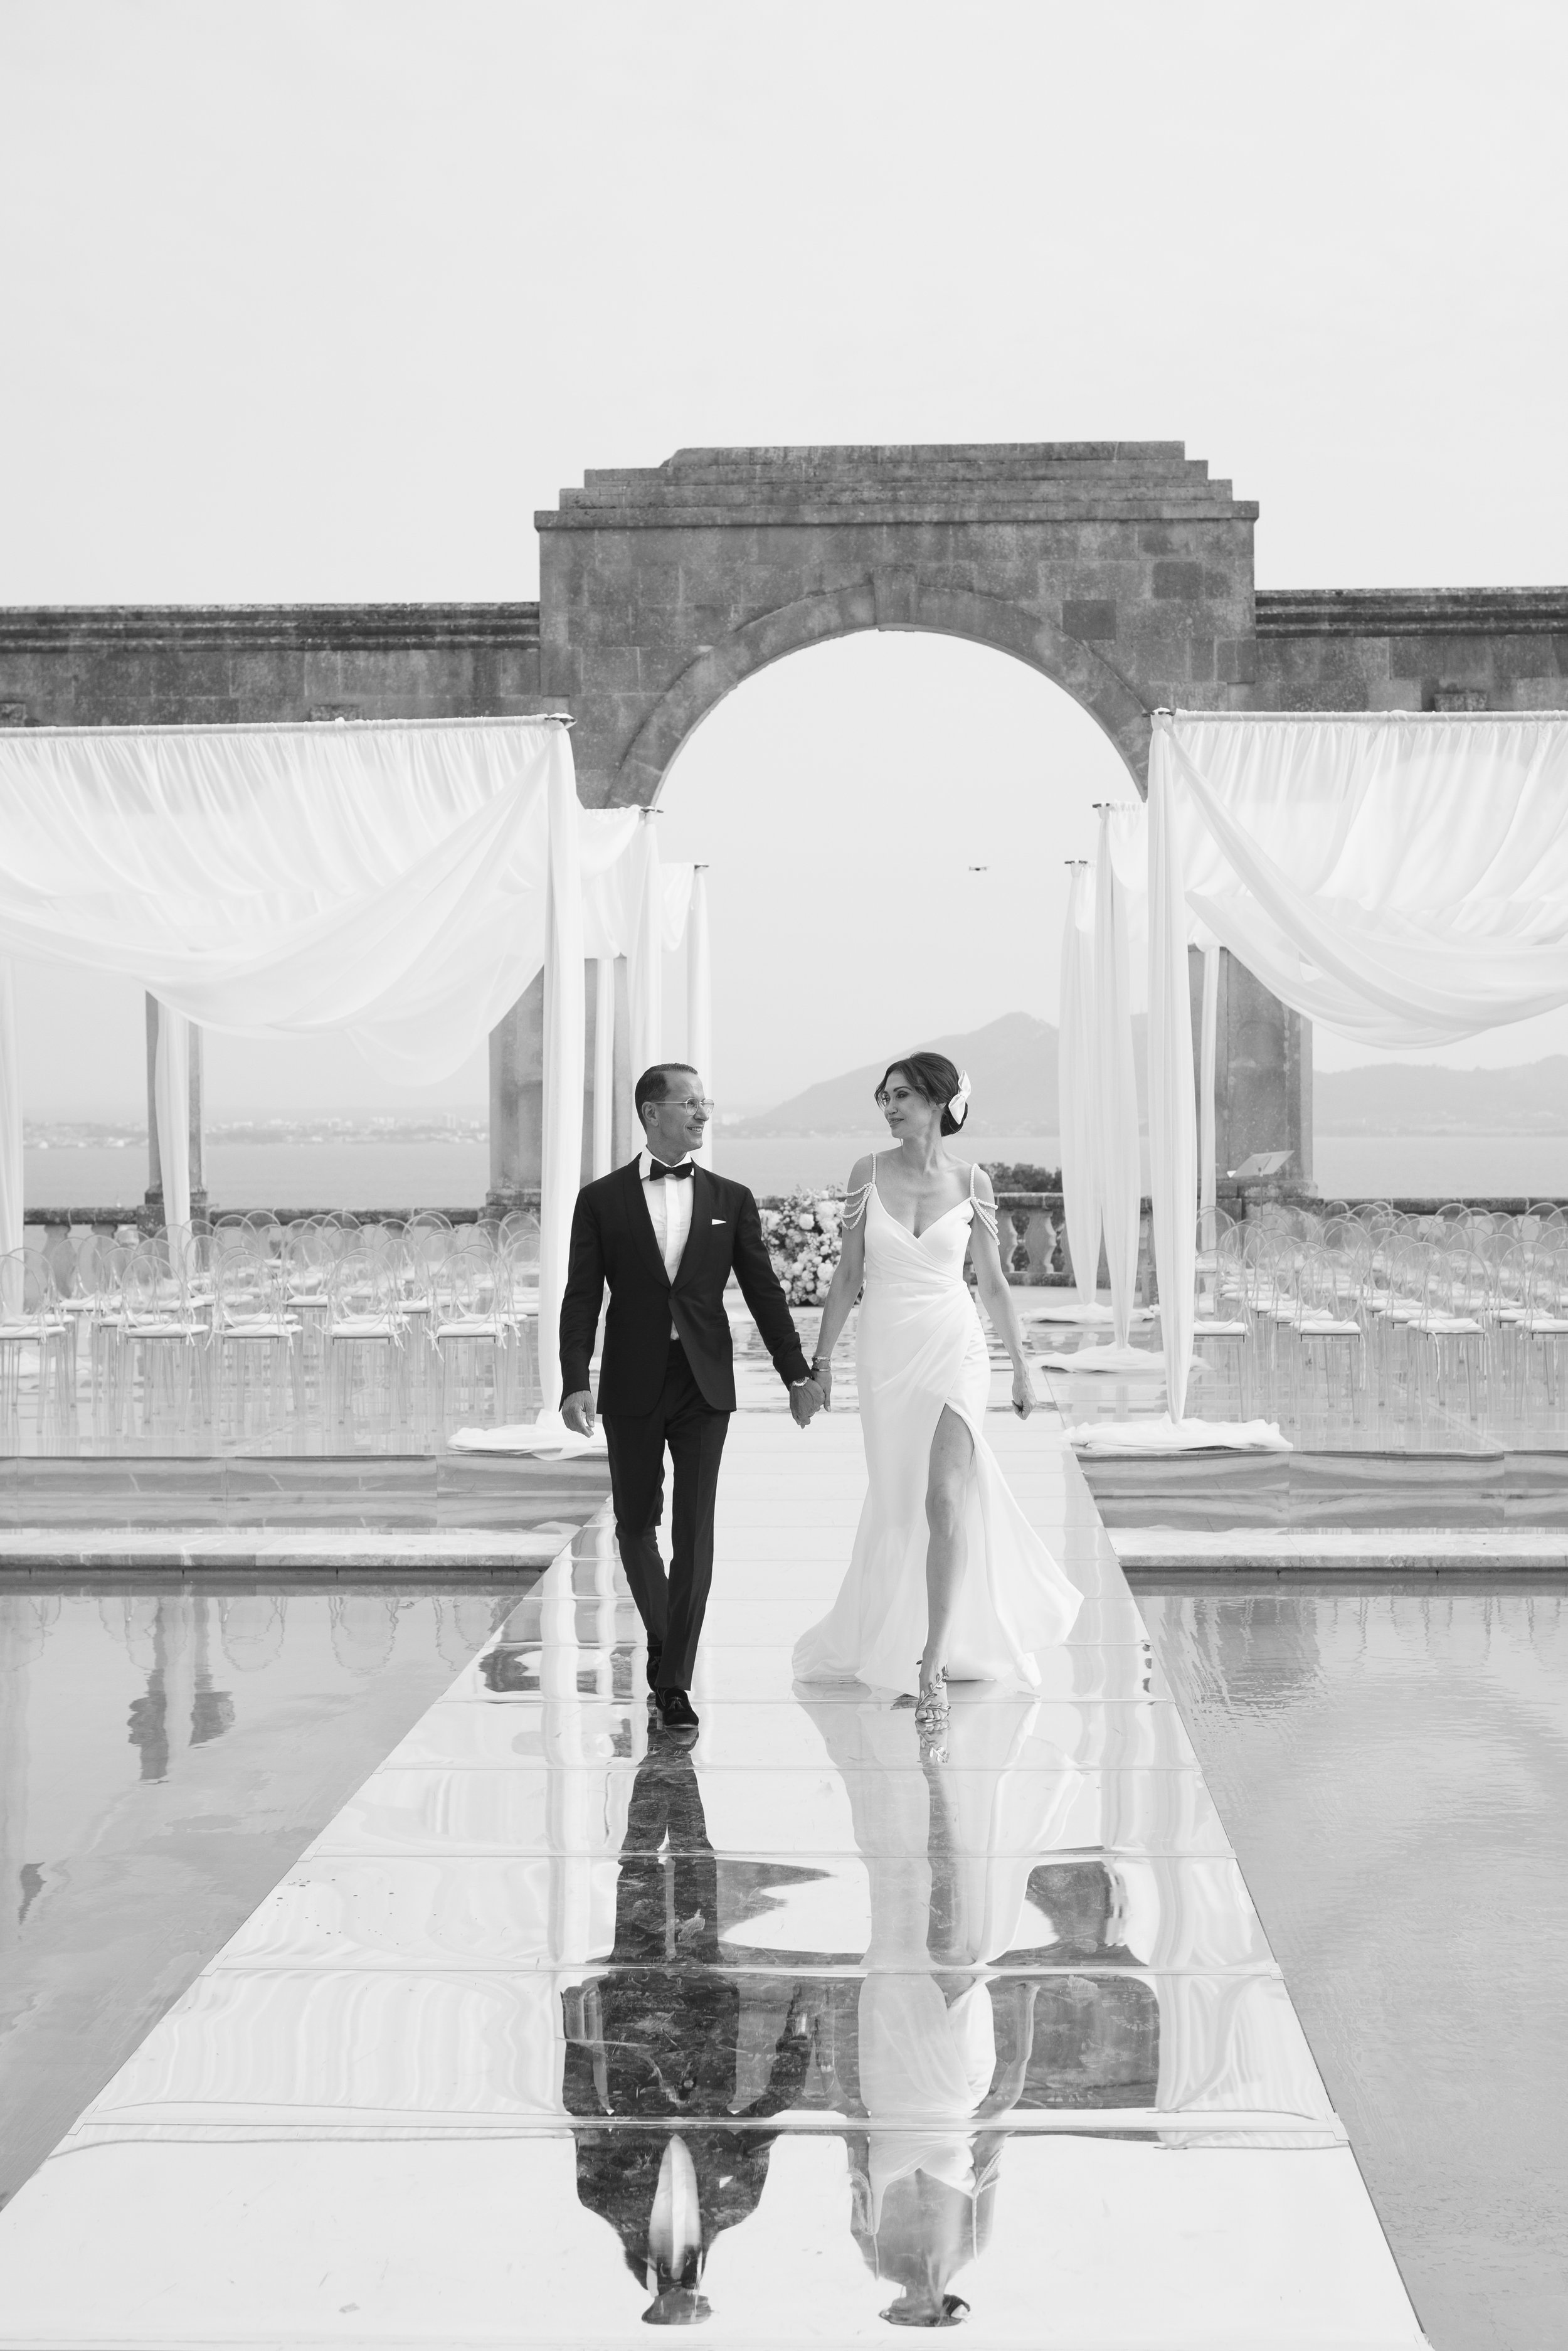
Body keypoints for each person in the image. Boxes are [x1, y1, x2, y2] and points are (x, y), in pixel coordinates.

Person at [792, 1052, 1079, 1735]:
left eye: (904, 1096)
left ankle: (931, 1663)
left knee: (944, 1496)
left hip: (956, 1345)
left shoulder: (973, 1180)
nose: (890, 1108)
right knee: (899, 1504)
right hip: (887, 1350)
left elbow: (994, 1282)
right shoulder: (867, 1172)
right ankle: (899, 1632)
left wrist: (1021, 1365)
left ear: (939, 1103)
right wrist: (822, 1361)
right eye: (885, 1096)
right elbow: (846, 1276)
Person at [559, 1063, 824, 1735]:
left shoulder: (730, 1198)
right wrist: (573, 1380)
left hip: (704, 1382)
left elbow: (764, 1290)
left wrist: (797, 1373)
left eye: (707, 1102)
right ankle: (664, 1639)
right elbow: (582, 1297)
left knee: (695, 1532)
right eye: (691, 1103)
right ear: (653, 1113)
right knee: (634, 1522)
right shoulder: (601, 1199)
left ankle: (673, 1679)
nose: (704, 1114)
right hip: (629, 1379)